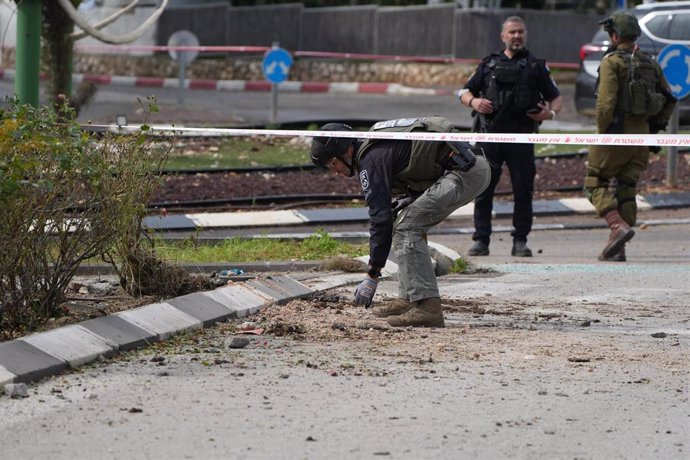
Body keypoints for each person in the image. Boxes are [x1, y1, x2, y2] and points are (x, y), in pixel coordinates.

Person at [309, 117, 490, 327]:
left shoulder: (370, 160)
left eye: (332, 163)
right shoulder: (373, 149)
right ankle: (409, 298)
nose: (335, 171)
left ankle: (429, 309)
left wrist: (372, 274)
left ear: (347, 151)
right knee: (402, 222)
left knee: (407, 227)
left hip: (465, 172)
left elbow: (380, 218)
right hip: (467, 168)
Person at [459, 16, 562, 257]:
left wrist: (550, 114)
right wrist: (474, 101)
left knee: (523, 191)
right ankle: (481, 240)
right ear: (503, 36)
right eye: (512, 32)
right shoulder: (488, 65)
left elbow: (555, 96)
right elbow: (464, 92)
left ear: (525, 35)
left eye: (520, 32)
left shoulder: (536, 66)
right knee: (483, 189)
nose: (517, 36)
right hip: (489, 138)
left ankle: (520, 241)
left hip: (522, 139)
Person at [585, 11, 676, 262]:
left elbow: (605, 103)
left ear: (614, 35)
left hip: (616, 133)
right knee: (627, 188)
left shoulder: (611, 62)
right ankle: (618, 249)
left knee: (594, 181)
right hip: (642, 136)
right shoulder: (649, 62)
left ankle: (617, 226)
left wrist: (603, 134)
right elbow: (670, 99)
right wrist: (655, 129)